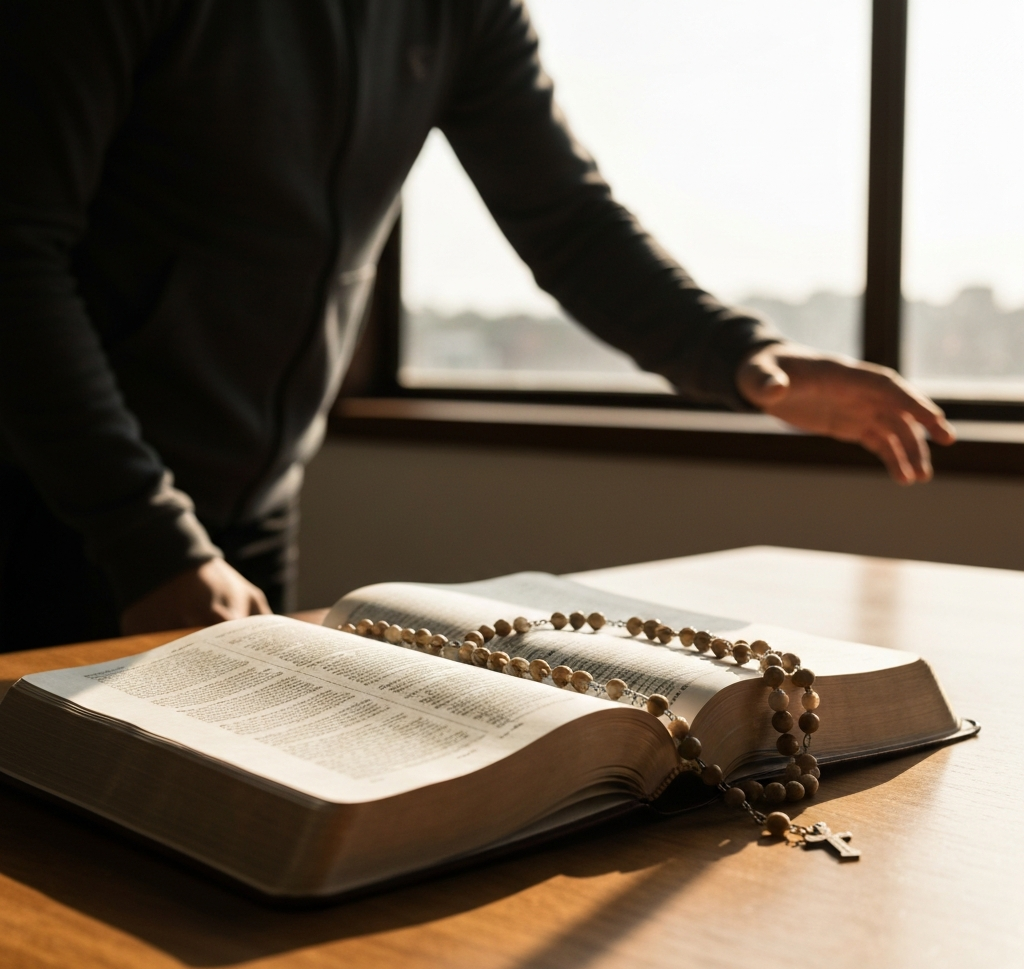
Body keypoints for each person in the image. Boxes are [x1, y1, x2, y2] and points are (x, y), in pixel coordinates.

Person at [0, 0, 955, 652]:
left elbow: (567, 221)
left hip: (242, 516)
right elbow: (16, 257)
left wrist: (744, 356)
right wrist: (147, 536)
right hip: (59, 499)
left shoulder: (463, 12)